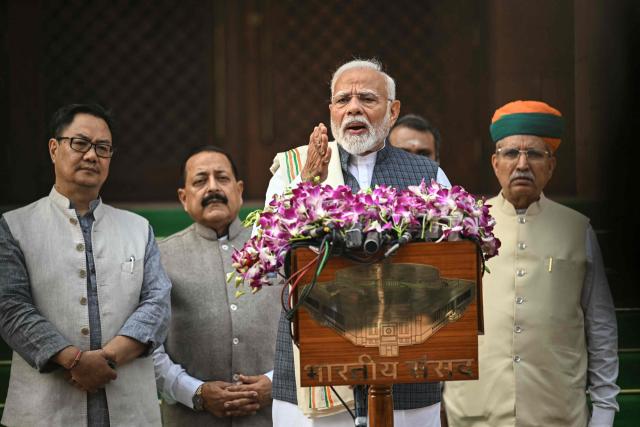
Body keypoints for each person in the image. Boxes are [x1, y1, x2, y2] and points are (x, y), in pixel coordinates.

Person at [265, 59, 451, 427]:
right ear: (331, 110)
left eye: (367, 98)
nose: (353, 107)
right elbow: (269, 258)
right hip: (313, 370)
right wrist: (307, 186)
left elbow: (448, 262)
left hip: (408, 375)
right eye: (342, 99)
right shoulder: (294, 168)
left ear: (393, 110)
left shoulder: (427, 175)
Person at [443, 100, 620, 426]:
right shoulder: (465, 225)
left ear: (551, 166)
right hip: (472, 412)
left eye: (535, 154)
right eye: (511, 154)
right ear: (495, 163)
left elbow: (601, 326)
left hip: (558, 412)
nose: (522, 164)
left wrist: (605, 409)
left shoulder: (576, 228)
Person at [0, 103, 172, 426]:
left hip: (130, 413)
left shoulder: (138, 229)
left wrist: (105, 359)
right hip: (44, 413)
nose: (92, 155)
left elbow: (158, 305)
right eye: (79, 143)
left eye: (102, 148)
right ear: (54, 149)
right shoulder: (14, 227)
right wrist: (73, 361)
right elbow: (9, 307)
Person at [153, 146, 282, 426]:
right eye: (200, 181)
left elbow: (305, 335)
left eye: (222, 178)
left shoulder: (276, 249)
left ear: (239, 189)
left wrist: (278, 383)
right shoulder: (159, 257)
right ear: (183, 198)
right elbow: (147, 347)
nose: (212, 187)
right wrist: (196, 392)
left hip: (272, 417)